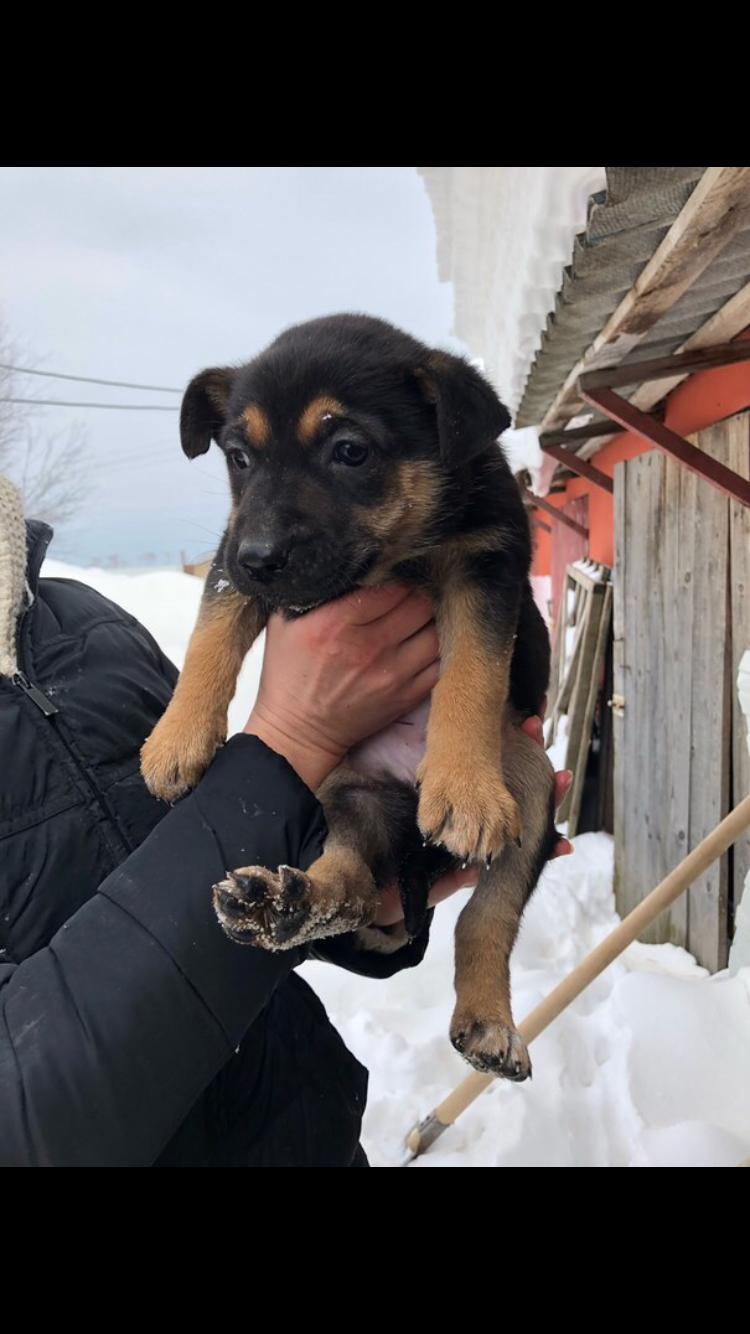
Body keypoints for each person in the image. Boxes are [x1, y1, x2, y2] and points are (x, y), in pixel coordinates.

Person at [0, 477, 569, 1167]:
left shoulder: (80, 624)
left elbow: (194, 856)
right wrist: (294, 734)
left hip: (305, 1132)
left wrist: (355, 914)